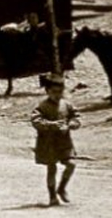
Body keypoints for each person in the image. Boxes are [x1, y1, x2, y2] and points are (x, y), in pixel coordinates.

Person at [31, 73, 80, 206]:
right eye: (54, 92)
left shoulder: (67, 105)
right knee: (51, 168)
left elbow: (76, 118)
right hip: (48, 143)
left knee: (71, 164)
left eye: (60, 92)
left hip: (65, 142)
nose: (57, 95)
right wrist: (51, 125)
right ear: (47, 91)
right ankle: (52, 196)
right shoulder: (42, 106)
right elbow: (36, 121)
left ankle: (62, 188)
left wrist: (71, 124)